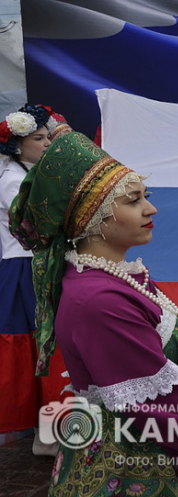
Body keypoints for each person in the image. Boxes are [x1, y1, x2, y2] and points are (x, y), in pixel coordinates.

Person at [10, 131, 178, 496]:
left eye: (146, 196)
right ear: (90, 217)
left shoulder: (114, 276)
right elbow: (149, 403)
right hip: (135, 460)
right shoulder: (99, 299)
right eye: (133, 200)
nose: (150, 209)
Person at [0, 104, 68, 456]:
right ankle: (45, 432)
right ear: (16, 145)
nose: (45, 144)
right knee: (38, 347)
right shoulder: (12, 180)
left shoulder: (32, 172)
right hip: (24, 270)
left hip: (36, 266)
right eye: (38, 139)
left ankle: (49, 430)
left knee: (45, 347)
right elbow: (40, 225)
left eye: (47, 137)